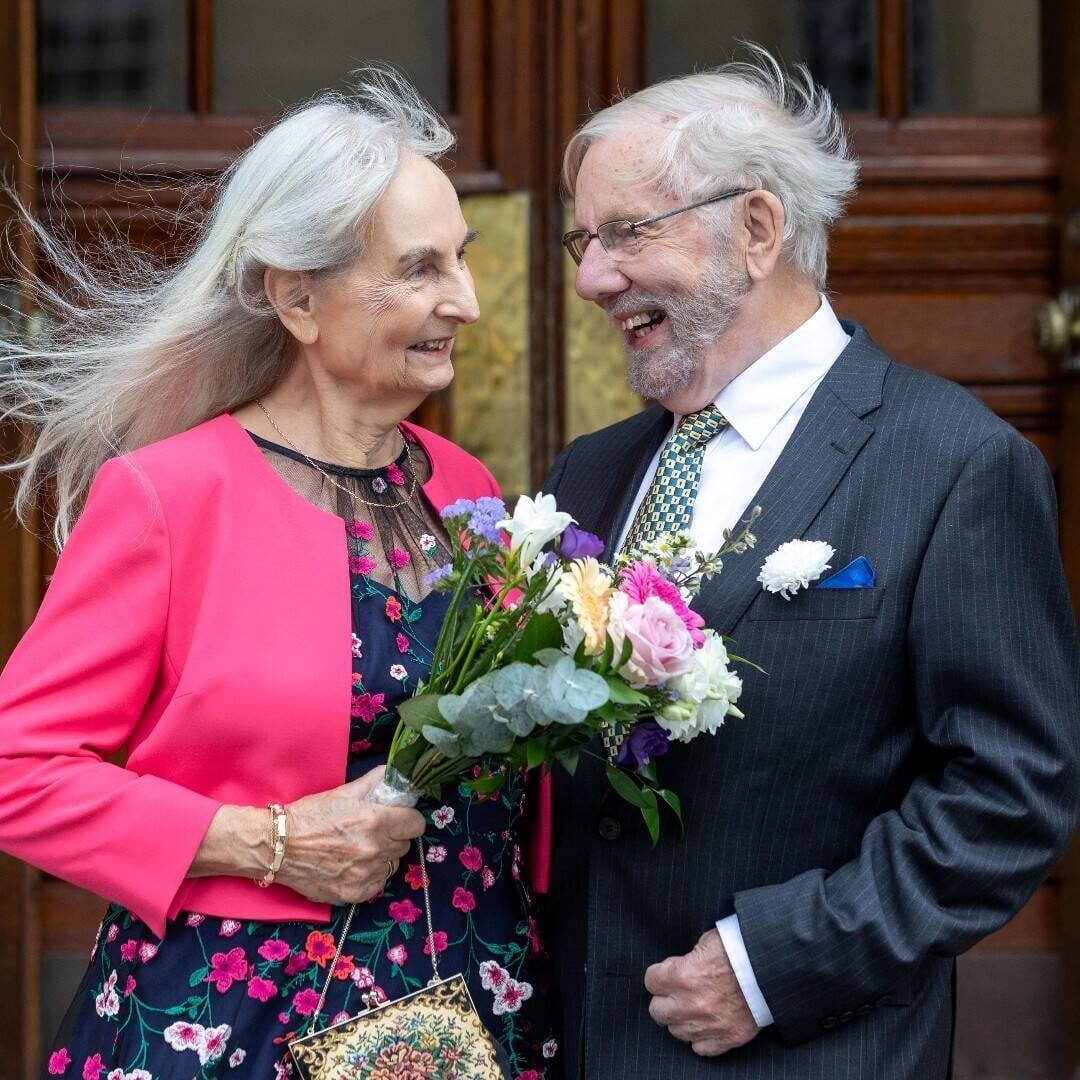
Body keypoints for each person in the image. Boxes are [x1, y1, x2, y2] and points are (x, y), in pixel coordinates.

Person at [0, 72, 553, 1078]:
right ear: (297, 296)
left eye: (461, 262)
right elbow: (17, 773)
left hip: (467, 1017)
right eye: (420, 268)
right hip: (236, 1025)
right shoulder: (170, 497)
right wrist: (265, 840)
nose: (466, 304)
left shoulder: (466, 491)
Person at [542, 47, 1080, 1079]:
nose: (589, 278)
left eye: (624, 234)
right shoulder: (591, 473)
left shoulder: (955, 464)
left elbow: (1009, 798)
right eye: (582, 238)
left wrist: (770, 964)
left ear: (755, 229)